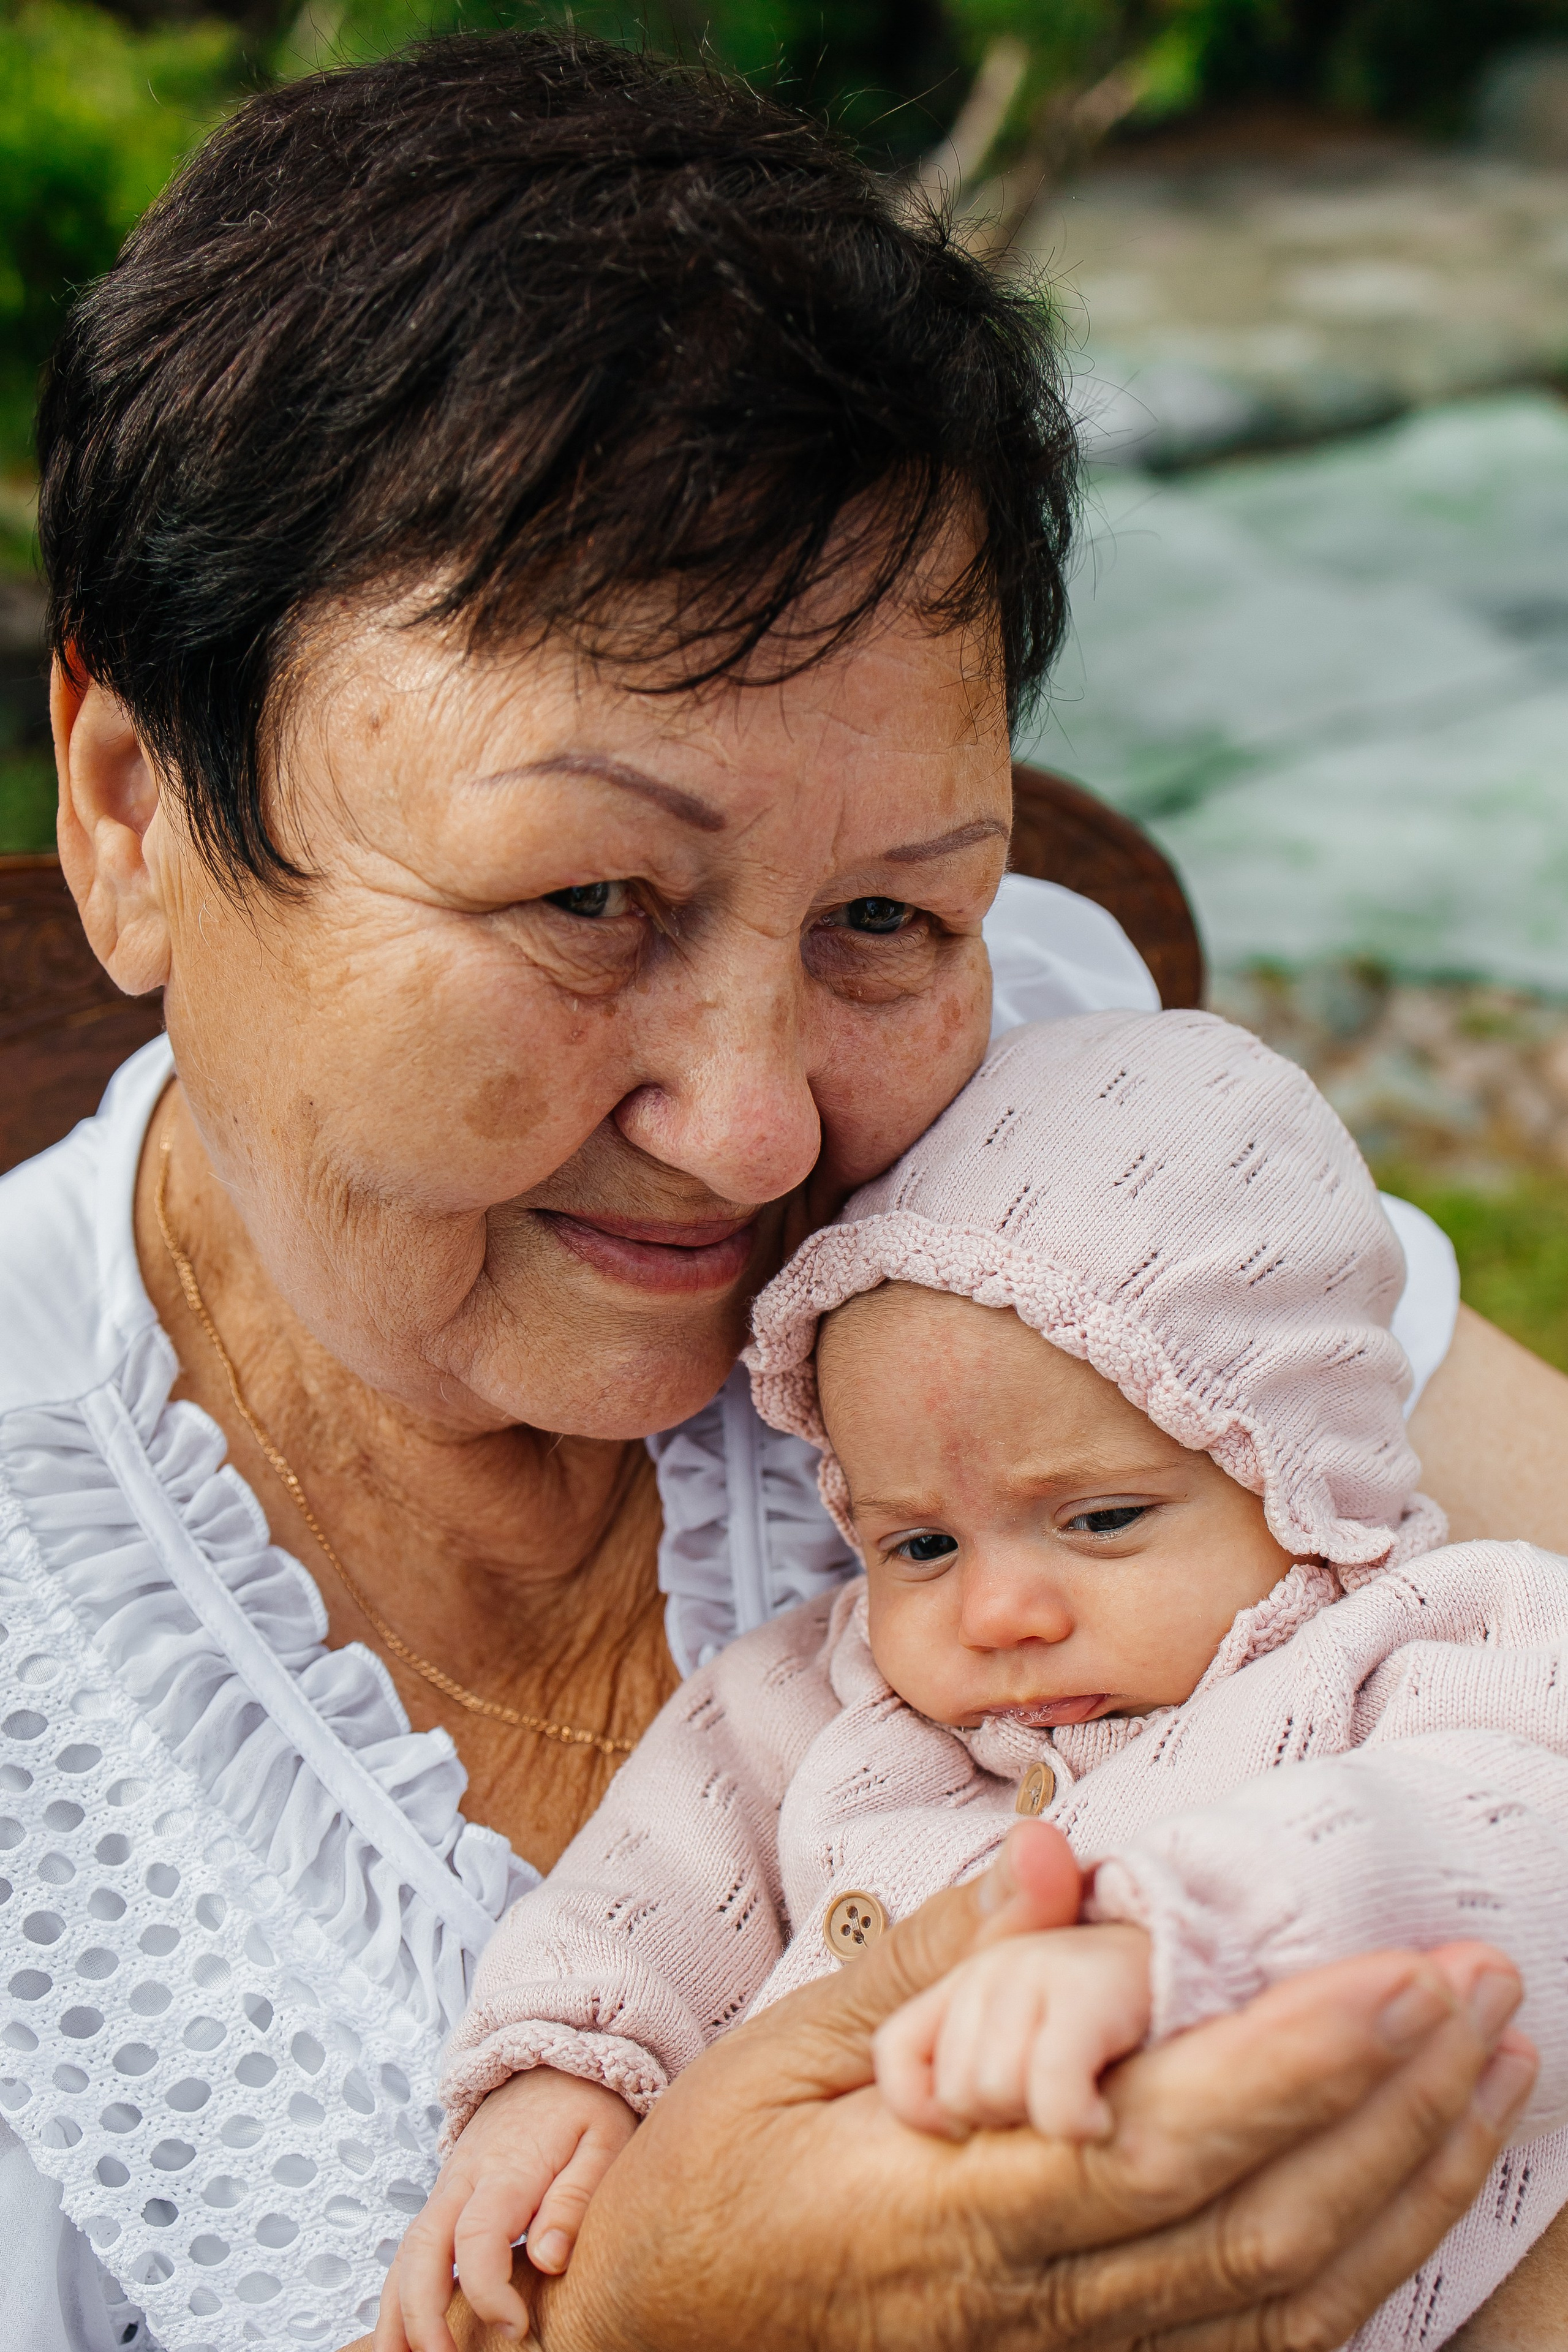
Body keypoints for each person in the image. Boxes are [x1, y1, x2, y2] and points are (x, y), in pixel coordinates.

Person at [3, 26, 1561, 2352]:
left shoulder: (1045, 1118)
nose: (758, 1138)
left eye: (886, 918)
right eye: (586, 898)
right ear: (135, 811)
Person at [389, 1010, 1568, 2352]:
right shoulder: (837, 1689)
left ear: (1302, 1472)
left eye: (1101, 1519)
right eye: (921, 1545)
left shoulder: (1423, 1646)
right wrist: (567, 2068)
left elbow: (1508, 1837)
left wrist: (1175, 1947)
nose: (997, 1613)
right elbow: (661, 1865)